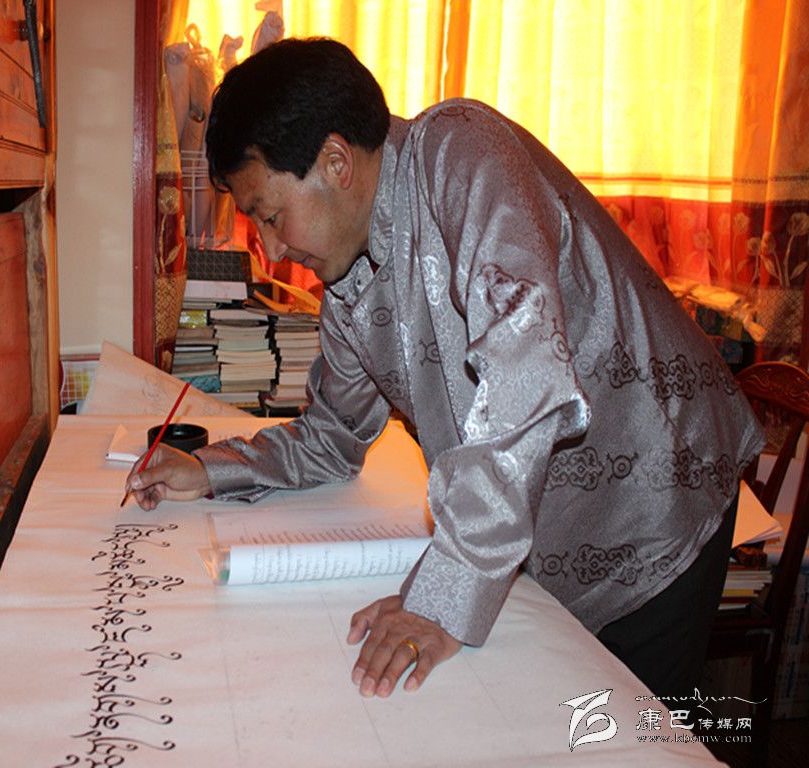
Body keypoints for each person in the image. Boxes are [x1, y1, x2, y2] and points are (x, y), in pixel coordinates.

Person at [127, 38, 765, 700]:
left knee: (629, 730)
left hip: (653, 503)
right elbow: (330, 438)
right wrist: (213, 469)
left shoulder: (462, 154)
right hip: (542, 537)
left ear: (336, 162)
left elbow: (525, 377)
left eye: (270, 216)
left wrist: (442, 596)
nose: (272, 249)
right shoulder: (348, 283)